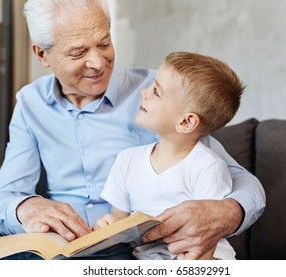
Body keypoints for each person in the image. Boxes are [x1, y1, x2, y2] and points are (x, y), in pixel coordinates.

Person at [0, 0, 265, 260]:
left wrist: (229, 211)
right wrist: (25, 207)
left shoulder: (156, 96)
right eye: (78, 52)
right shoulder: (30, 104)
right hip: (53, 246)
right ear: (42, 55)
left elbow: (241, 180)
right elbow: (3, 198)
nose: (97, 62)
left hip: (127, 249)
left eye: (104, 43)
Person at [93, 51, 243, 260]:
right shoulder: (127, 160)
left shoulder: (208, 167)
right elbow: (117, 224)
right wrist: (105, 228)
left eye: (156, 91)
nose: (144, 92)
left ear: (185, 122)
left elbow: (206, 236)